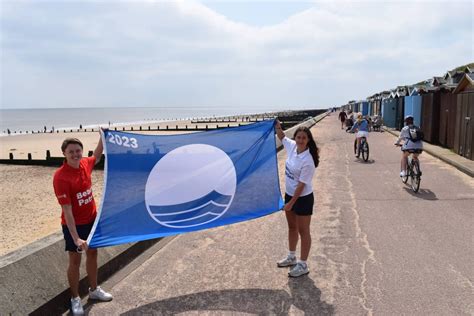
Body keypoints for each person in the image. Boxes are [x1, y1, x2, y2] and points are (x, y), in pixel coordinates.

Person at [53, 134, 112, 315]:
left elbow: (97, 155)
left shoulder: (85, 163)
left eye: (78, 150)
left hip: (91, 220)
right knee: (75, 260)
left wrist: (103, 135)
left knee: (93, 253)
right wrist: (76, 237)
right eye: (71, 152)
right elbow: (67, 211)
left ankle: (94, 290)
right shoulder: (61, 177)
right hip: (75, 225)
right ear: (64, 153)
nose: (75, 154)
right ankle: (75, 298)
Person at [275, 120, 319, 278]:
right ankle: (292, 256)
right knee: (292, 228)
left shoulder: (308, 161)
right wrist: (277, 126)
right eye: (298, 137)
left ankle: (303, 264)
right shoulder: (292, 147)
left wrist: (290, 204)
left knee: (303, 230)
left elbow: (301, 186)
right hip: (289, 194)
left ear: (308, 140)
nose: (300, 140)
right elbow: (281, 136)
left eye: (304, 138)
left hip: (303, 198)